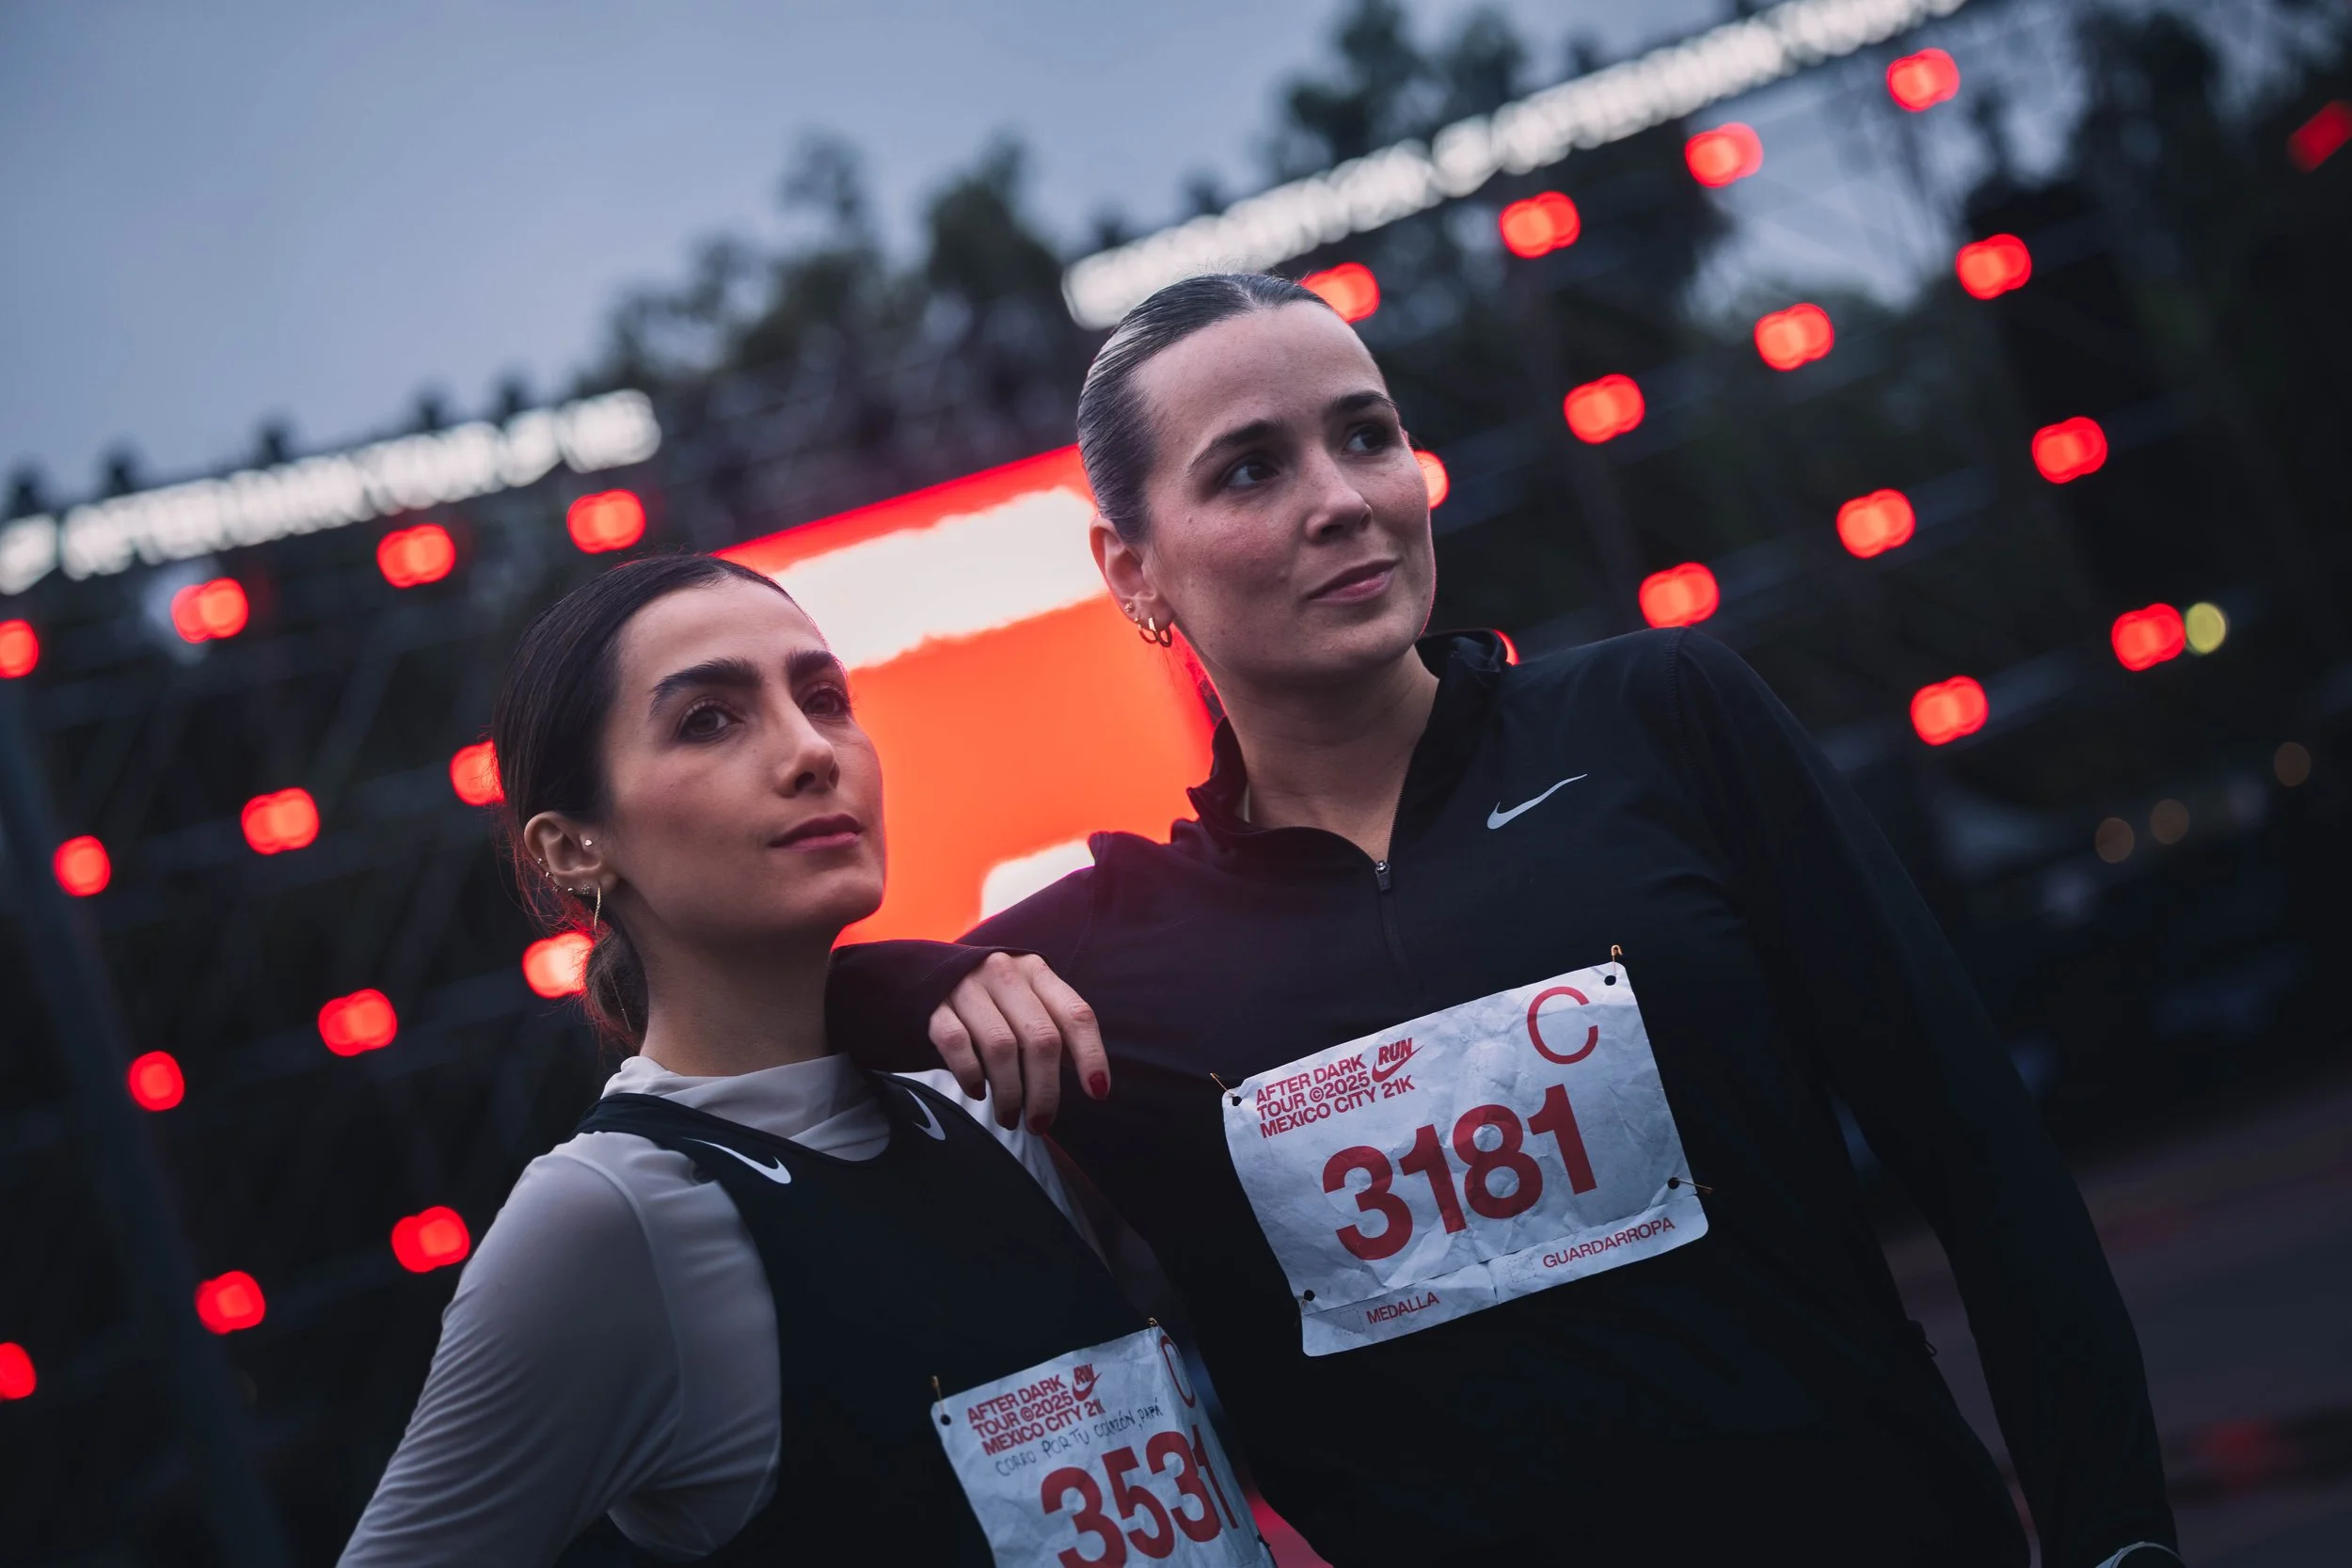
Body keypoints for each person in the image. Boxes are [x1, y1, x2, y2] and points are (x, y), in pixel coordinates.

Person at [829, 274, 2183, 1567]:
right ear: (1132, 567)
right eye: (1250, 467)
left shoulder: (1665, 719)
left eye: (1367, 437)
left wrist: (2115, 1529)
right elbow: (755, 1020)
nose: (1343, 499)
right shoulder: (1097, 961)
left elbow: (1985, 1164)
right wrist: (912, 983)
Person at [342, 554, 1265, 1567]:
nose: (809, 750)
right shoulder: (610, 1215)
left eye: (825, 698)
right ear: (572, 848)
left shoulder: (972, 1089)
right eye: (708, 718)